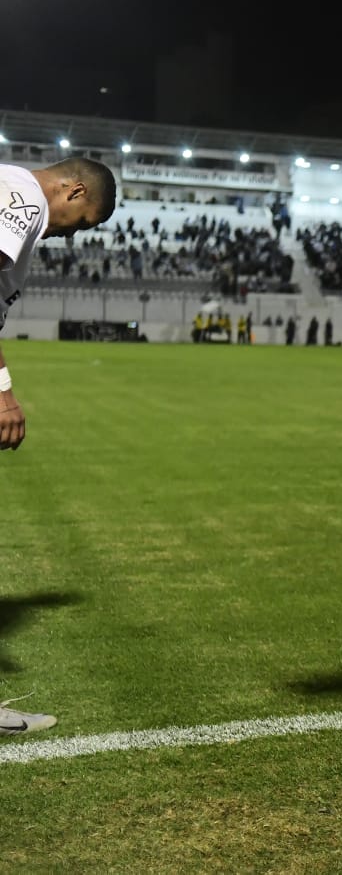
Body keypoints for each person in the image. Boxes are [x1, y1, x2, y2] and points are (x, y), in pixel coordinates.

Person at [0, 155, 117, 736]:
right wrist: (2, 392)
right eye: (82, 221)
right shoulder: (19, 199)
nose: (72, 235)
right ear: (72, 190)